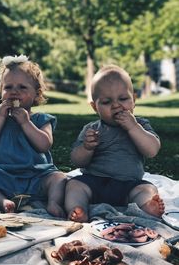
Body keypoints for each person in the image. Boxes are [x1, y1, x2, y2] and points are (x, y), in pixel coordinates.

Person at [0, 54, 66, 217]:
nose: (14, 92)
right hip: (3, 177)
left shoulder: (41, 119)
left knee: (59, 178)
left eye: (22, 87)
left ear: (36, 94)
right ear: (1, 91)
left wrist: (26, 123)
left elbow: (44, 144)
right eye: (8, 87)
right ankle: (2, 201)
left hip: (36, 176)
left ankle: (53, 203)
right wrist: (0, 117)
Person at [65, 64, 165, 222]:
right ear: (94, 107)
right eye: (106, 102)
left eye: (123, 99)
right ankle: (78, 210)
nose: (116, 105)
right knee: (73, 185)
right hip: (94, 183)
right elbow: (77, 160)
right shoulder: (91, 129)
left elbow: (152, 150)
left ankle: (145, 207)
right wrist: (86, 147)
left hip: (129, 185)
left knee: (148, 189)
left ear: (134, 100)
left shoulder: (141, 125)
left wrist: (133, 127)